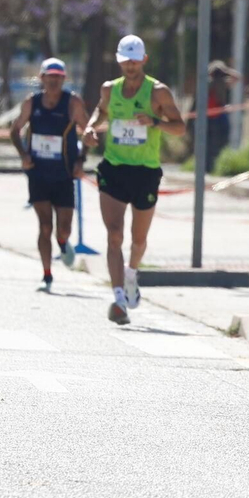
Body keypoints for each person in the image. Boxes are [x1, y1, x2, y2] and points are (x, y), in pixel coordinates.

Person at [82, 35, 185, 325]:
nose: (129, 66)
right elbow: (101, 111)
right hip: (114, 168)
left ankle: (131, 275)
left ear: (144, 61)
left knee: (138, 240)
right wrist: (91, 128)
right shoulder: (109, 89)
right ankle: (117, 300)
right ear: (119, 61)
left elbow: (180, 128)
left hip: (145, 171)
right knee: (114, 235)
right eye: (125, 61)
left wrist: (155, 122)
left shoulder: (158, 93)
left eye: (134, 61)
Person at [11, 58, 90, 291]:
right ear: (42, 78)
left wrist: (81, 159)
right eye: (50, 76)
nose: (54, 81)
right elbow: (15, 130)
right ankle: (47, 274)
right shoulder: (31, 103)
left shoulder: (72, 103)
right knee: (45, 226)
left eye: (58, 77)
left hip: (64, 173)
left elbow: (88, 132)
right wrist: (23, 155)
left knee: (62, 229)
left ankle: (64, 243)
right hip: (38, 173)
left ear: (63, 79)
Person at [204, 61, 239, 170]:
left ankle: (210, 167)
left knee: (210, 144)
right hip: (215, 118)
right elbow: (237, 78)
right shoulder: (214, 84)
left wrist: (220, 70)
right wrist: (226, 71)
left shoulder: (211, 83)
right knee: (216, 144)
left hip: (212, 118)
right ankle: (211, 166)